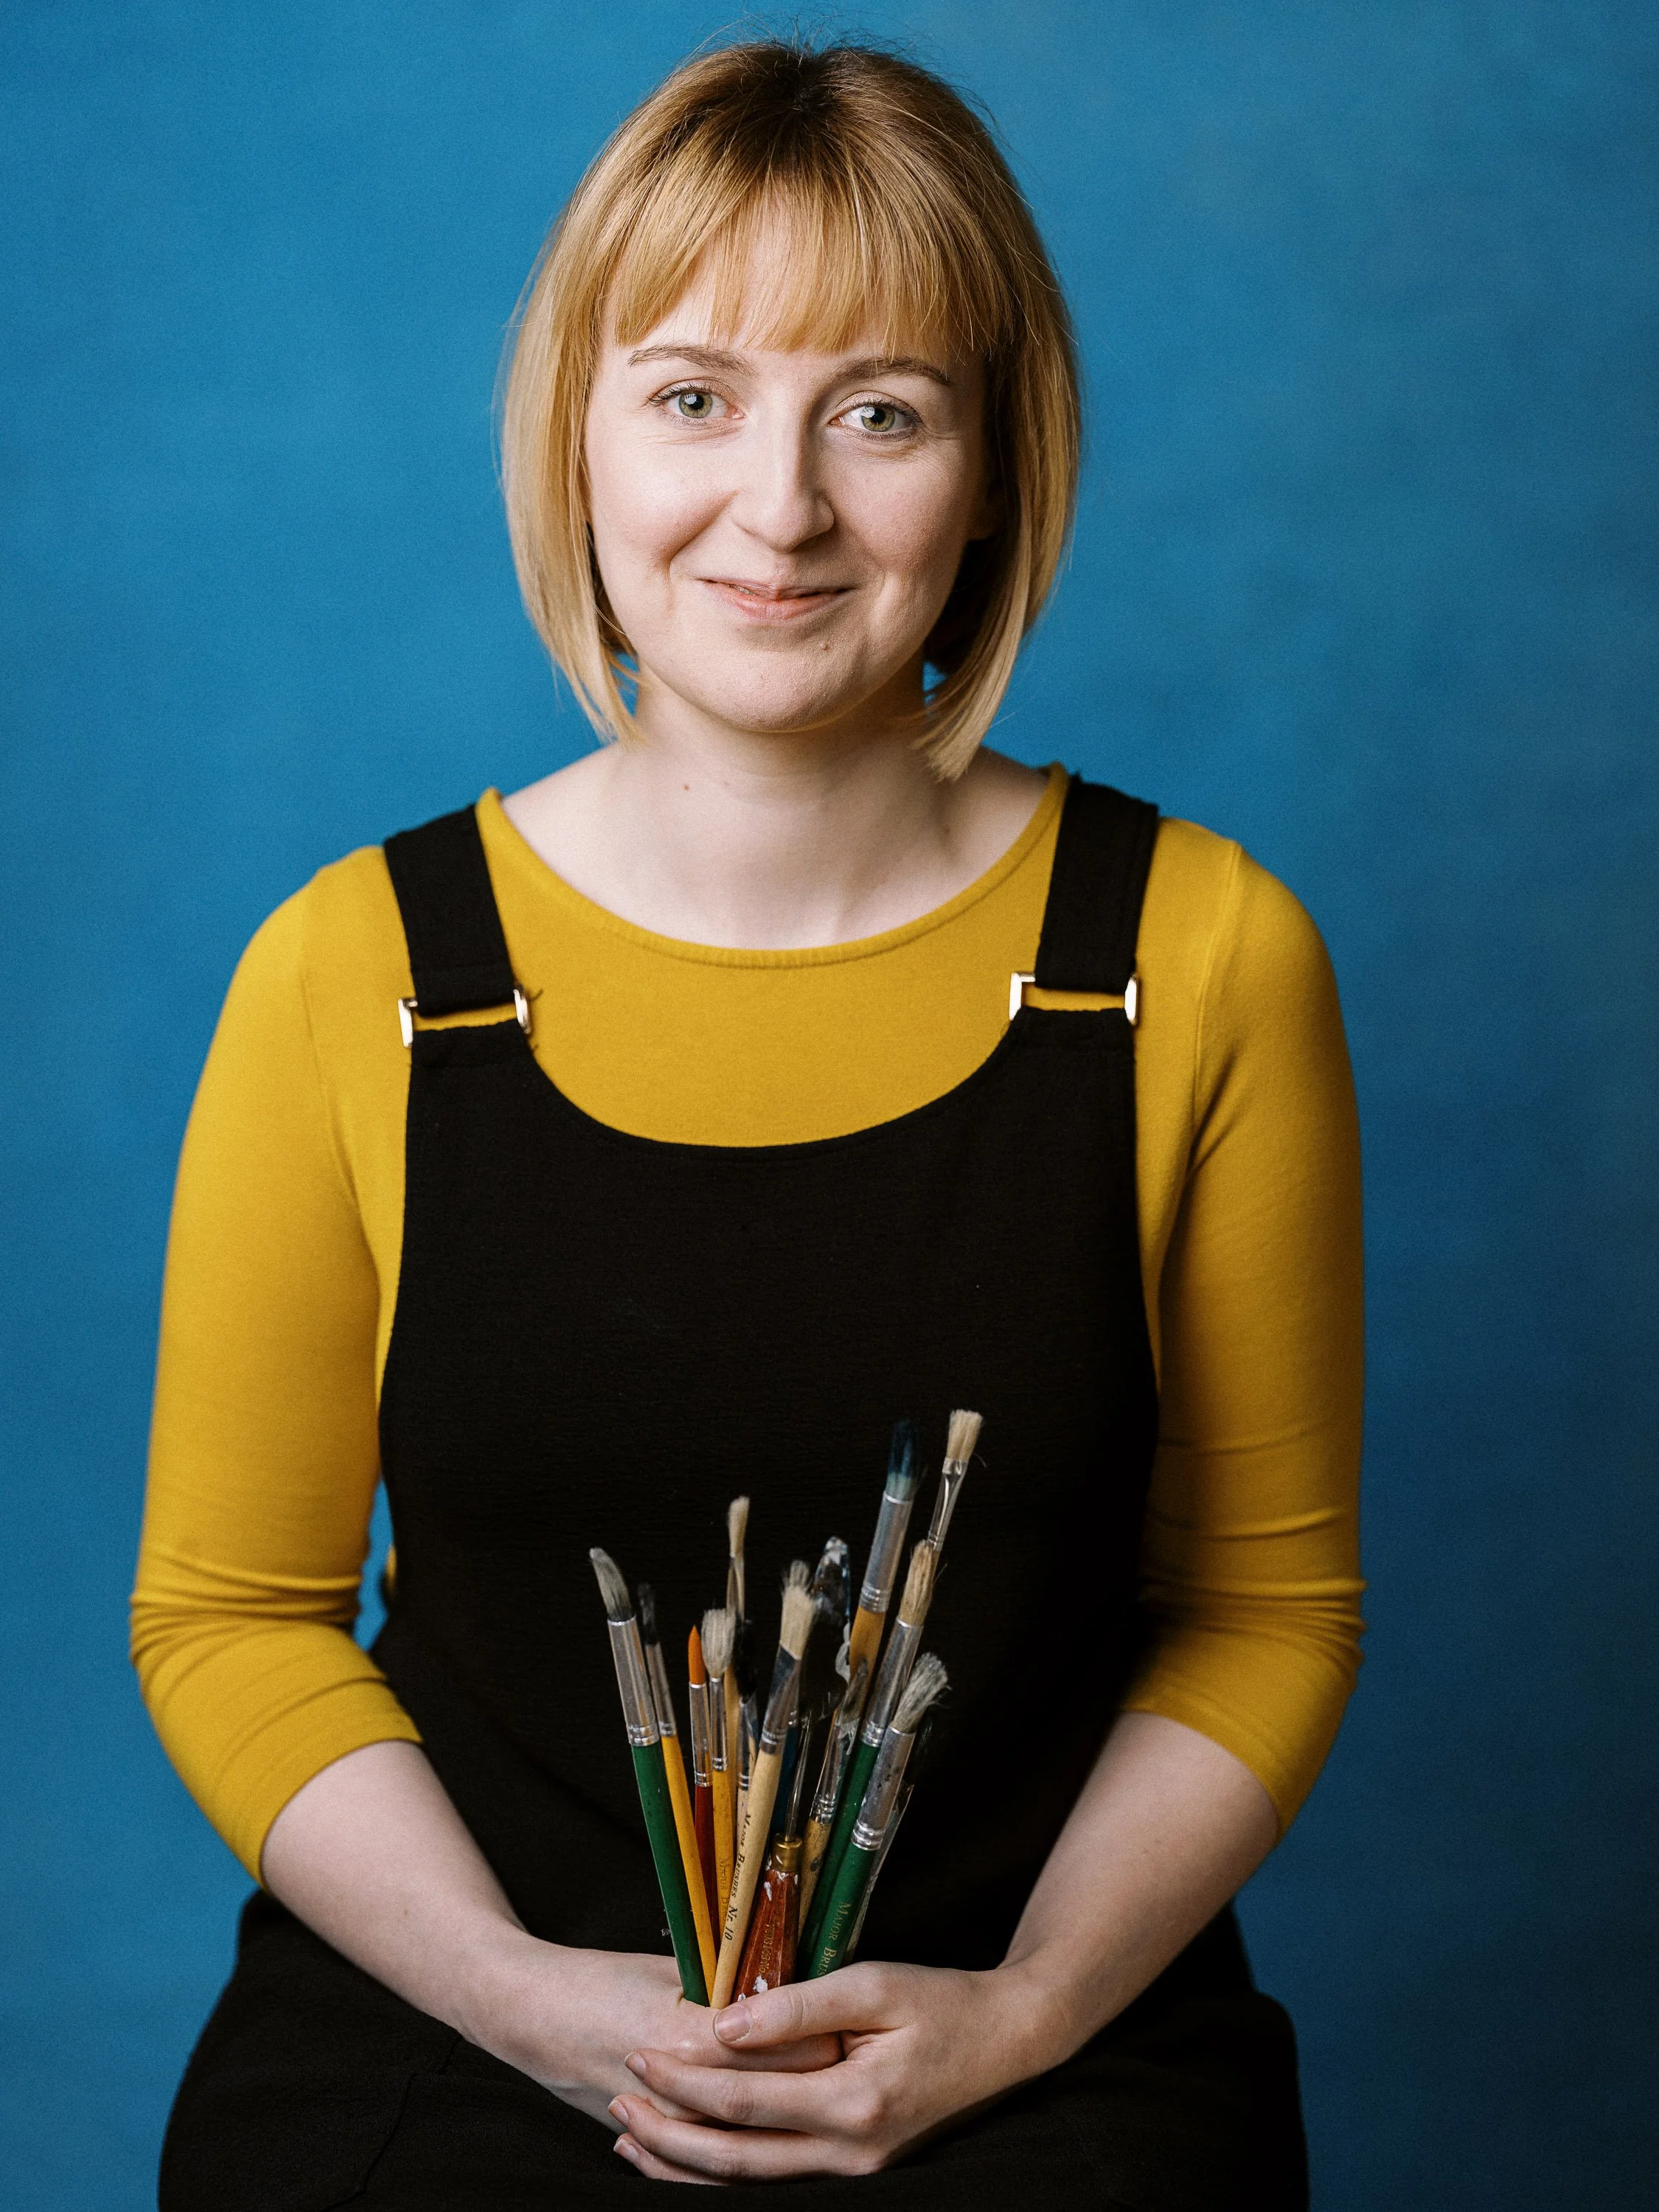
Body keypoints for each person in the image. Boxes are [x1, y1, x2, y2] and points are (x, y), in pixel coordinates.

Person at [134, 37, 1363, 2208]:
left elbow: (1265, 1608)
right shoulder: (353, 974)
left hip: (1044, 2068)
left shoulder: (1203, 952)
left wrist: (1023, 2017)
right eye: (692, 394)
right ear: (577, 439)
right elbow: (229, 1618)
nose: (779, 508)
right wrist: (532, 1999)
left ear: (993, 468)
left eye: (879, 411)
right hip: (457, 2052)